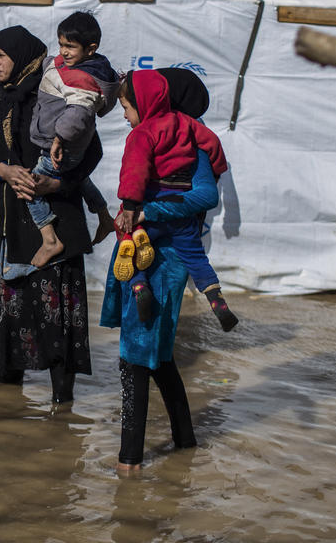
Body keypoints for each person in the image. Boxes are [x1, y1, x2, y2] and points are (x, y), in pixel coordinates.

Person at [0, 25, 100, 404]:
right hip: (7, 233)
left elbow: (89, 154)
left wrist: (55, 186)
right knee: (7, 332)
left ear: (22, 58)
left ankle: (63, 415)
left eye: (1, 55)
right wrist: (4, 171)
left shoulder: (56, 96)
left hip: (52, 228)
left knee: (56, 331)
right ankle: (7, 419)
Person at [100, 143, 221, 471]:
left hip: (162, 264)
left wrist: (148, 212)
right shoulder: (148, 143)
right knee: (159, 359)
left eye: (129, 105)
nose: (124, 115)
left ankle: (130, 463)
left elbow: (206, 196)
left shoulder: (190, 153)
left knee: (135, 360)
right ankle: (185, 445)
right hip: (138, 255)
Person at [113, 70, 234, 327]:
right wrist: (219, 167)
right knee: (196, 257)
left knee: (127, 235)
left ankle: (139, 287)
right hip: (181, 216)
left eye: (125, 108)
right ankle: (216, 299)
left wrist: (133, 207)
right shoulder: (187, 124)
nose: (124, 115)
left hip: (150, 211)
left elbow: (134, 172)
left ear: (142, 103)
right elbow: (211, 142)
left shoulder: (141, 133)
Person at [26, 11, 119, 267]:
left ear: (91, 49)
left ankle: (49, 240)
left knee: (29, 188)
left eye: (70, 46)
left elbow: (76, 115)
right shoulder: (74, 68)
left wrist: (58, 139)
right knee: (82, 179)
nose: (63, 52)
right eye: (61, 44)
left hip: (60, 147)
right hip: (74, 148)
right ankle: (103, 215)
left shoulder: (82, 79)